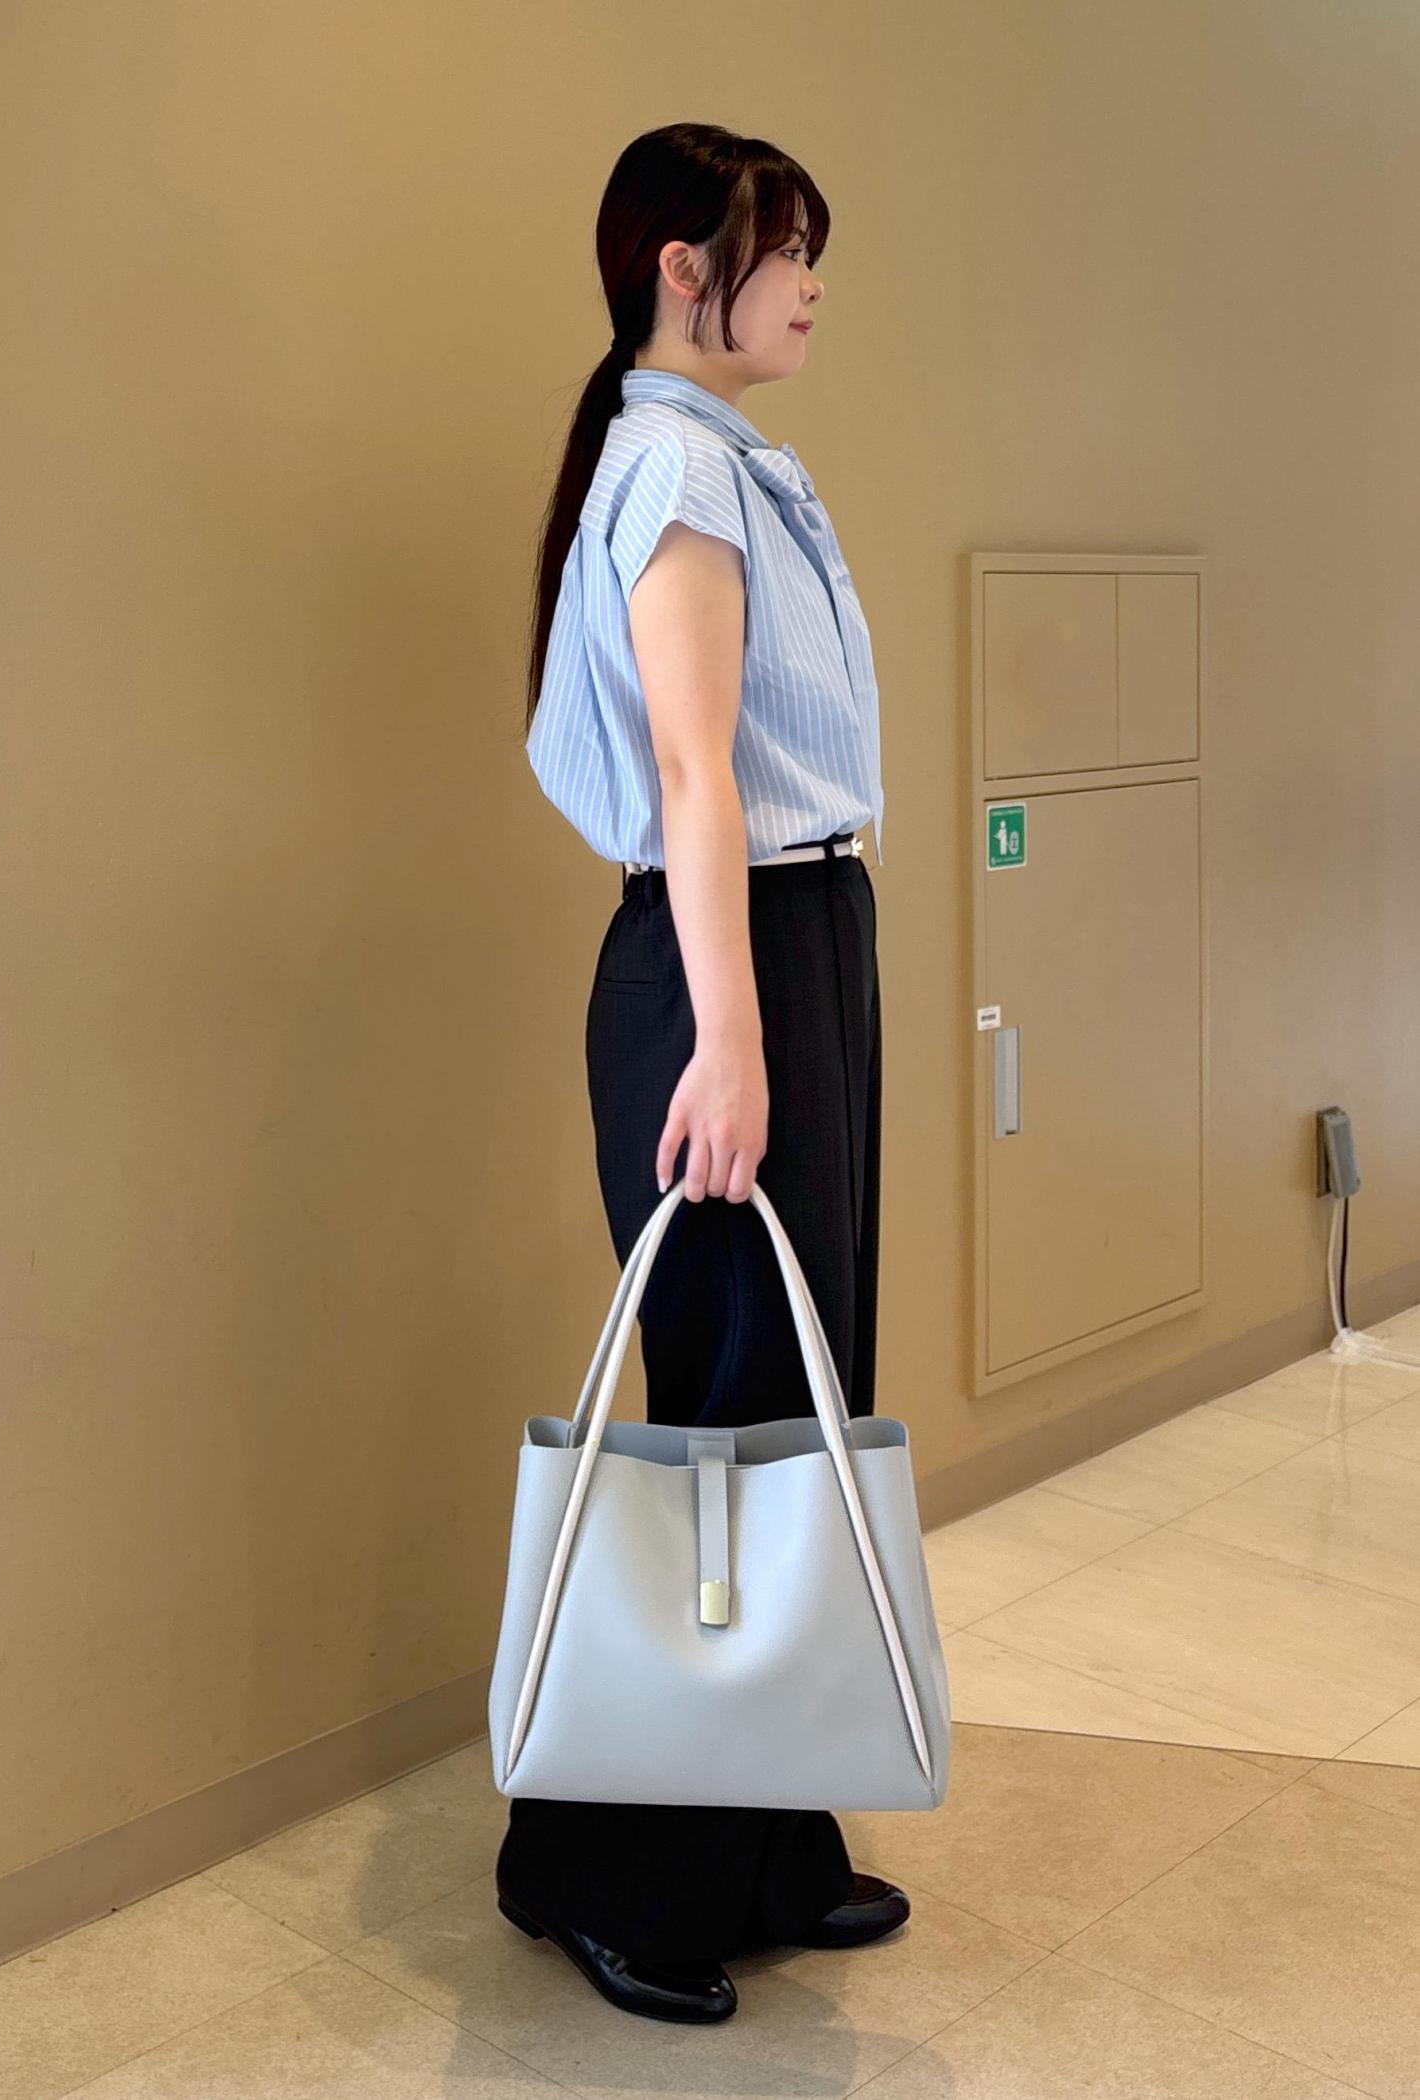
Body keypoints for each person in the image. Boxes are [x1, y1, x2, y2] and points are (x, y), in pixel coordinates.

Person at [496, 121, 907, 2024]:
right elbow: (691, 773)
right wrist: (733, 1038)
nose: (811, 282)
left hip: (798, 939)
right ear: (686, 266)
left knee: (793, 1406)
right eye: (785, 248)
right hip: (719, 962)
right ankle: (610, 1874)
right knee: (722, 1420)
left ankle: (763, 1842)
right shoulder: (669, 463)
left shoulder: (719, 456)